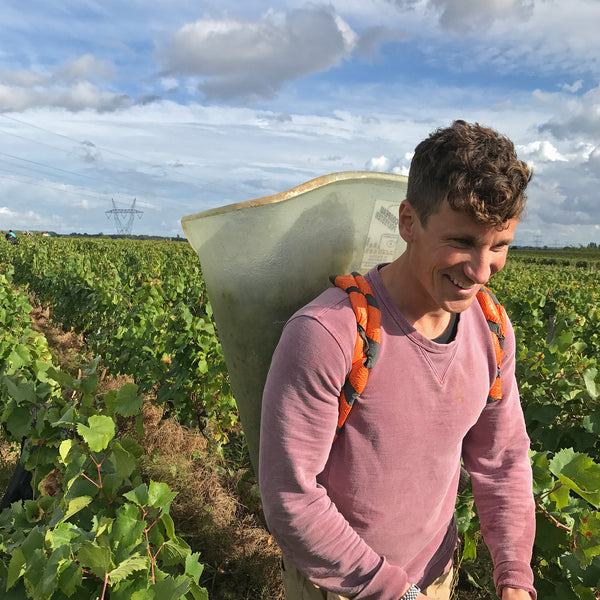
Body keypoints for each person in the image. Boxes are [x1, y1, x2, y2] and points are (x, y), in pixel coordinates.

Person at [259, 120, 536, 600]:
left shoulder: (491, 328)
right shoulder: (329, 334)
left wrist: (514, 578)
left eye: (499, 245)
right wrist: (394, 591)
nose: (480, 270)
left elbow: (503, 461)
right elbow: (290, 498)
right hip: (341, 586)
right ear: (408, 221)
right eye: (462, 242)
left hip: (435, 578)